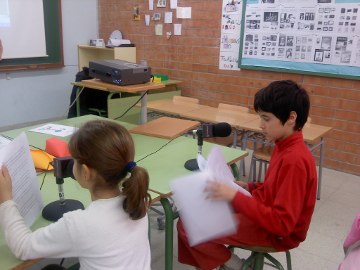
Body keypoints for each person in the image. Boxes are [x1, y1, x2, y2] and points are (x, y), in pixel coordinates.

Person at [177, 80, 318, 270]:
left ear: (291, 118)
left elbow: (282, 224)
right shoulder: (283, 144)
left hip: (277, 233)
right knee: (192, 215)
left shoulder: (294, 160)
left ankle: (236, 266)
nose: (261, 125)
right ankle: (226, 262)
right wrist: (249, 187)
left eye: (266, 119)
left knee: (190, 226)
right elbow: (275, 188)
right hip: (265, 212)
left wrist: (234, 196)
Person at [0, 120, 151, 269]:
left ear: (86, 172)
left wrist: (6, 199)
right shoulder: (137, 203)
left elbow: (23, 247)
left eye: (74, 159)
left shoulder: (80, 224)